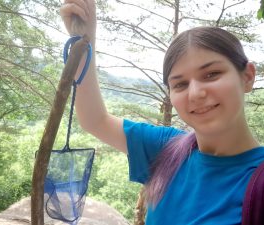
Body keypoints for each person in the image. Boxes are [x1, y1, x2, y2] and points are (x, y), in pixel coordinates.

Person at [60, 0, 264, 224]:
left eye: (211, 74)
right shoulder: (167, 149)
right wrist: (85, 38)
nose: (195, 93)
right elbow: (95, 120)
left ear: (247, 77)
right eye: (180, 84)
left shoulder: (258, 180)